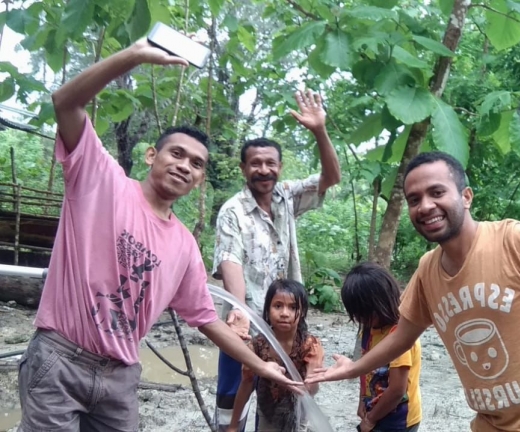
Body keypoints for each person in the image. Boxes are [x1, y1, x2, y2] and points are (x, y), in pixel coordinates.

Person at [16, 38, 303, 432]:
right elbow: (65, 101)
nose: (185, 166)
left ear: (202, 179)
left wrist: (261, 364)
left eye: (197, 164)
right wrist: (135, 55)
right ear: (152, 155)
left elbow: (207, 319)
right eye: (177, 154)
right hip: (60, 360)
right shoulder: (101, 181)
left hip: (120, 376)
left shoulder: (184, 244)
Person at [307, 151, 520, 431]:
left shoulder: (516, 240)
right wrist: (353, 369)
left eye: (437, 192)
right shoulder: (428, 271)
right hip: (493, 425)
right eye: (414, 200)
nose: (425, 206)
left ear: (466, 196)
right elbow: (400, 337)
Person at [212, 89, 341, 430]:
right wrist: (238, 314)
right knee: (233, 396)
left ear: (280, 167)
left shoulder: (286, 197)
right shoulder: (233, 212)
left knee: (289, 397)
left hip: (287, 321)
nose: (264, 170)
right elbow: (230, 263)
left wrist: (319, 131)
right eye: (256, 163)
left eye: (270, 163)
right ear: (244, 168)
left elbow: (331, 178)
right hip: (248, 326)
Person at [226, 279, 323, 432]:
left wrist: (310, 381)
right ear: (268, 309)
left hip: (298, 409)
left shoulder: (309, 346)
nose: (284, 313)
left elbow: (311, 388)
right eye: (278, 306)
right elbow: (246, 383)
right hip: (267, 408)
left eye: (293, 307)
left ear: (302, 313)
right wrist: (233, 425)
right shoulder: (258, 345)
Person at [341, 262, 422, 432]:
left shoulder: (400, 336)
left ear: (382, 303)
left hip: (400, 419)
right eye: (357, 314)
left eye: (365, 313)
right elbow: (366, 369)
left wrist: (370, 420)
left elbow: (397, 390)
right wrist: (363, 399)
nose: (361, 319)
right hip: (377, 410)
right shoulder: (369, 330)